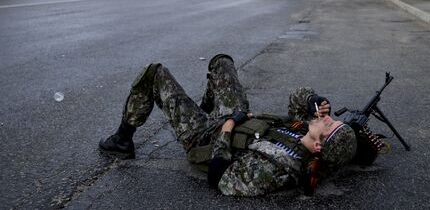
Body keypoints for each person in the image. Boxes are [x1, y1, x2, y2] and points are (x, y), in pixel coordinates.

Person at [99, 54, 357, 196]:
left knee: (153, 73)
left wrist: (228, 127)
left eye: (330, 124)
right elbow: (297, 98)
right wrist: (314, 99)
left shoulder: (277, 168)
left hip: (205, 138)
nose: (327, 117)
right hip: (232, 119)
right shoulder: (302, 131)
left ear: (320, 145)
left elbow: (219, 177)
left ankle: (122, 139)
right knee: (222, 62)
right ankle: (200, 111)